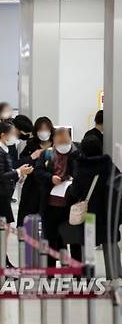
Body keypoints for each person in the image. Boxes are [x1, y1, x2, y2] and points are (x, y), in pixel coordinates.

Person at [65, 136, 122, 278]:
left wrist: (71, 187)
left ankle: (89, 276)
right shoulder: (109, 165)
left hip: (89, 214)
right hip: (108, 212)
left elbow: (75, 191)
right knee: (110, 243)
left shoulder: (81, 168)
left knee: (88, 245)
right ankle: (114, 276)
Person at [0, 122, 34, 267]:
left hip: (0, 195)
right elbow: (1, 175)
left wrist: (18, 173)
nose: (15, 137)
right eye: (12, 134)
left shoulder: (1, 151)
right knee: (2, 231)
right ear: (3, 135)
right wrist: (19, 172)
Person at [34, 127, 79, 267]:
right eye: (60, 143)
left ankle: (78, 272)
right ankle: (50, 271)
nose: (63, 146)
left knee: (75, 240)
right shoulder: (47, 155)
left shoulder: (78, 154)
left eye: (66, 142)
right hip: (51, 205)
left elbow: (82, 174)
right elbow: (38, 172)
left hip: (71, 205)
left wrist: (73, 180)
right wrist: (50, 178)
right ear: (54, 141)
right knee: (50, 240)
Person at [16, 117, 55, 226]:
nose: (44, 132)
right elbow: (23, 161)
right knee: (29, 212)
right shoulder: (31, 144)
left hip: (51, 184)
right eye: (41, 129)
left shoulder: (56, 144)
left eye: (46, 129)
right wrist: (32, 158)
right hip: (33, 185)